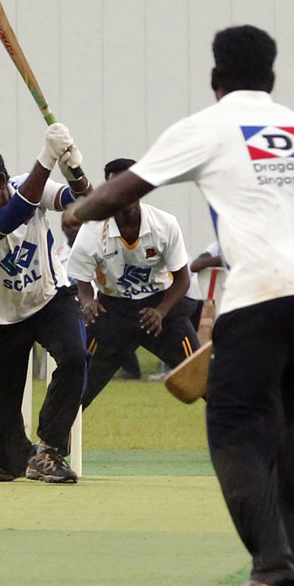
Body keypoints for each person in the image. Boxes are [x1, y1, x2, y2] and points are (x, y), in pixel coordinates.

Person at [61, 25, 294, 586]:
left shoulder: (207, 127)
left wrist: (75, 214)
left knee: (237, 425)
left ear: (215, 79)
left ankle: (273, 565)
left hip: (262, 291)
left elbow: (120, 193)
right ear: (272, 78)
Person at [0, 126, 90, 485]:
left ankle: (49, 452)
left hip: (50, 298)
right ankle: (15, 459)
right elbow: (14, 215)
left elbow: (84, 203)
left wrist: (75, 173)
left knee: (75, 357)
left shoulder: (27, 184)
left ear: (0, 180)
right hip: (1, 315)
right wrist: (47, 157)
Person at [66, 159, 199, 408]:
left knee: (202, 379)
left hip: (162, 308)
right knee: (79, 387)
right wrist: (87, 302)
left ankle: (248, 440)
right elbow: (81, 279)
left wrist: (161, 311)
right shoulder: (93, 230)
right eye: (115, 184)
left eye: (128, 183)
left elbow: (182, 279)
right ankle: (52, 443)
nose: (122, 191)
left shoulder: (165, 223)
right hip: (113, 309)